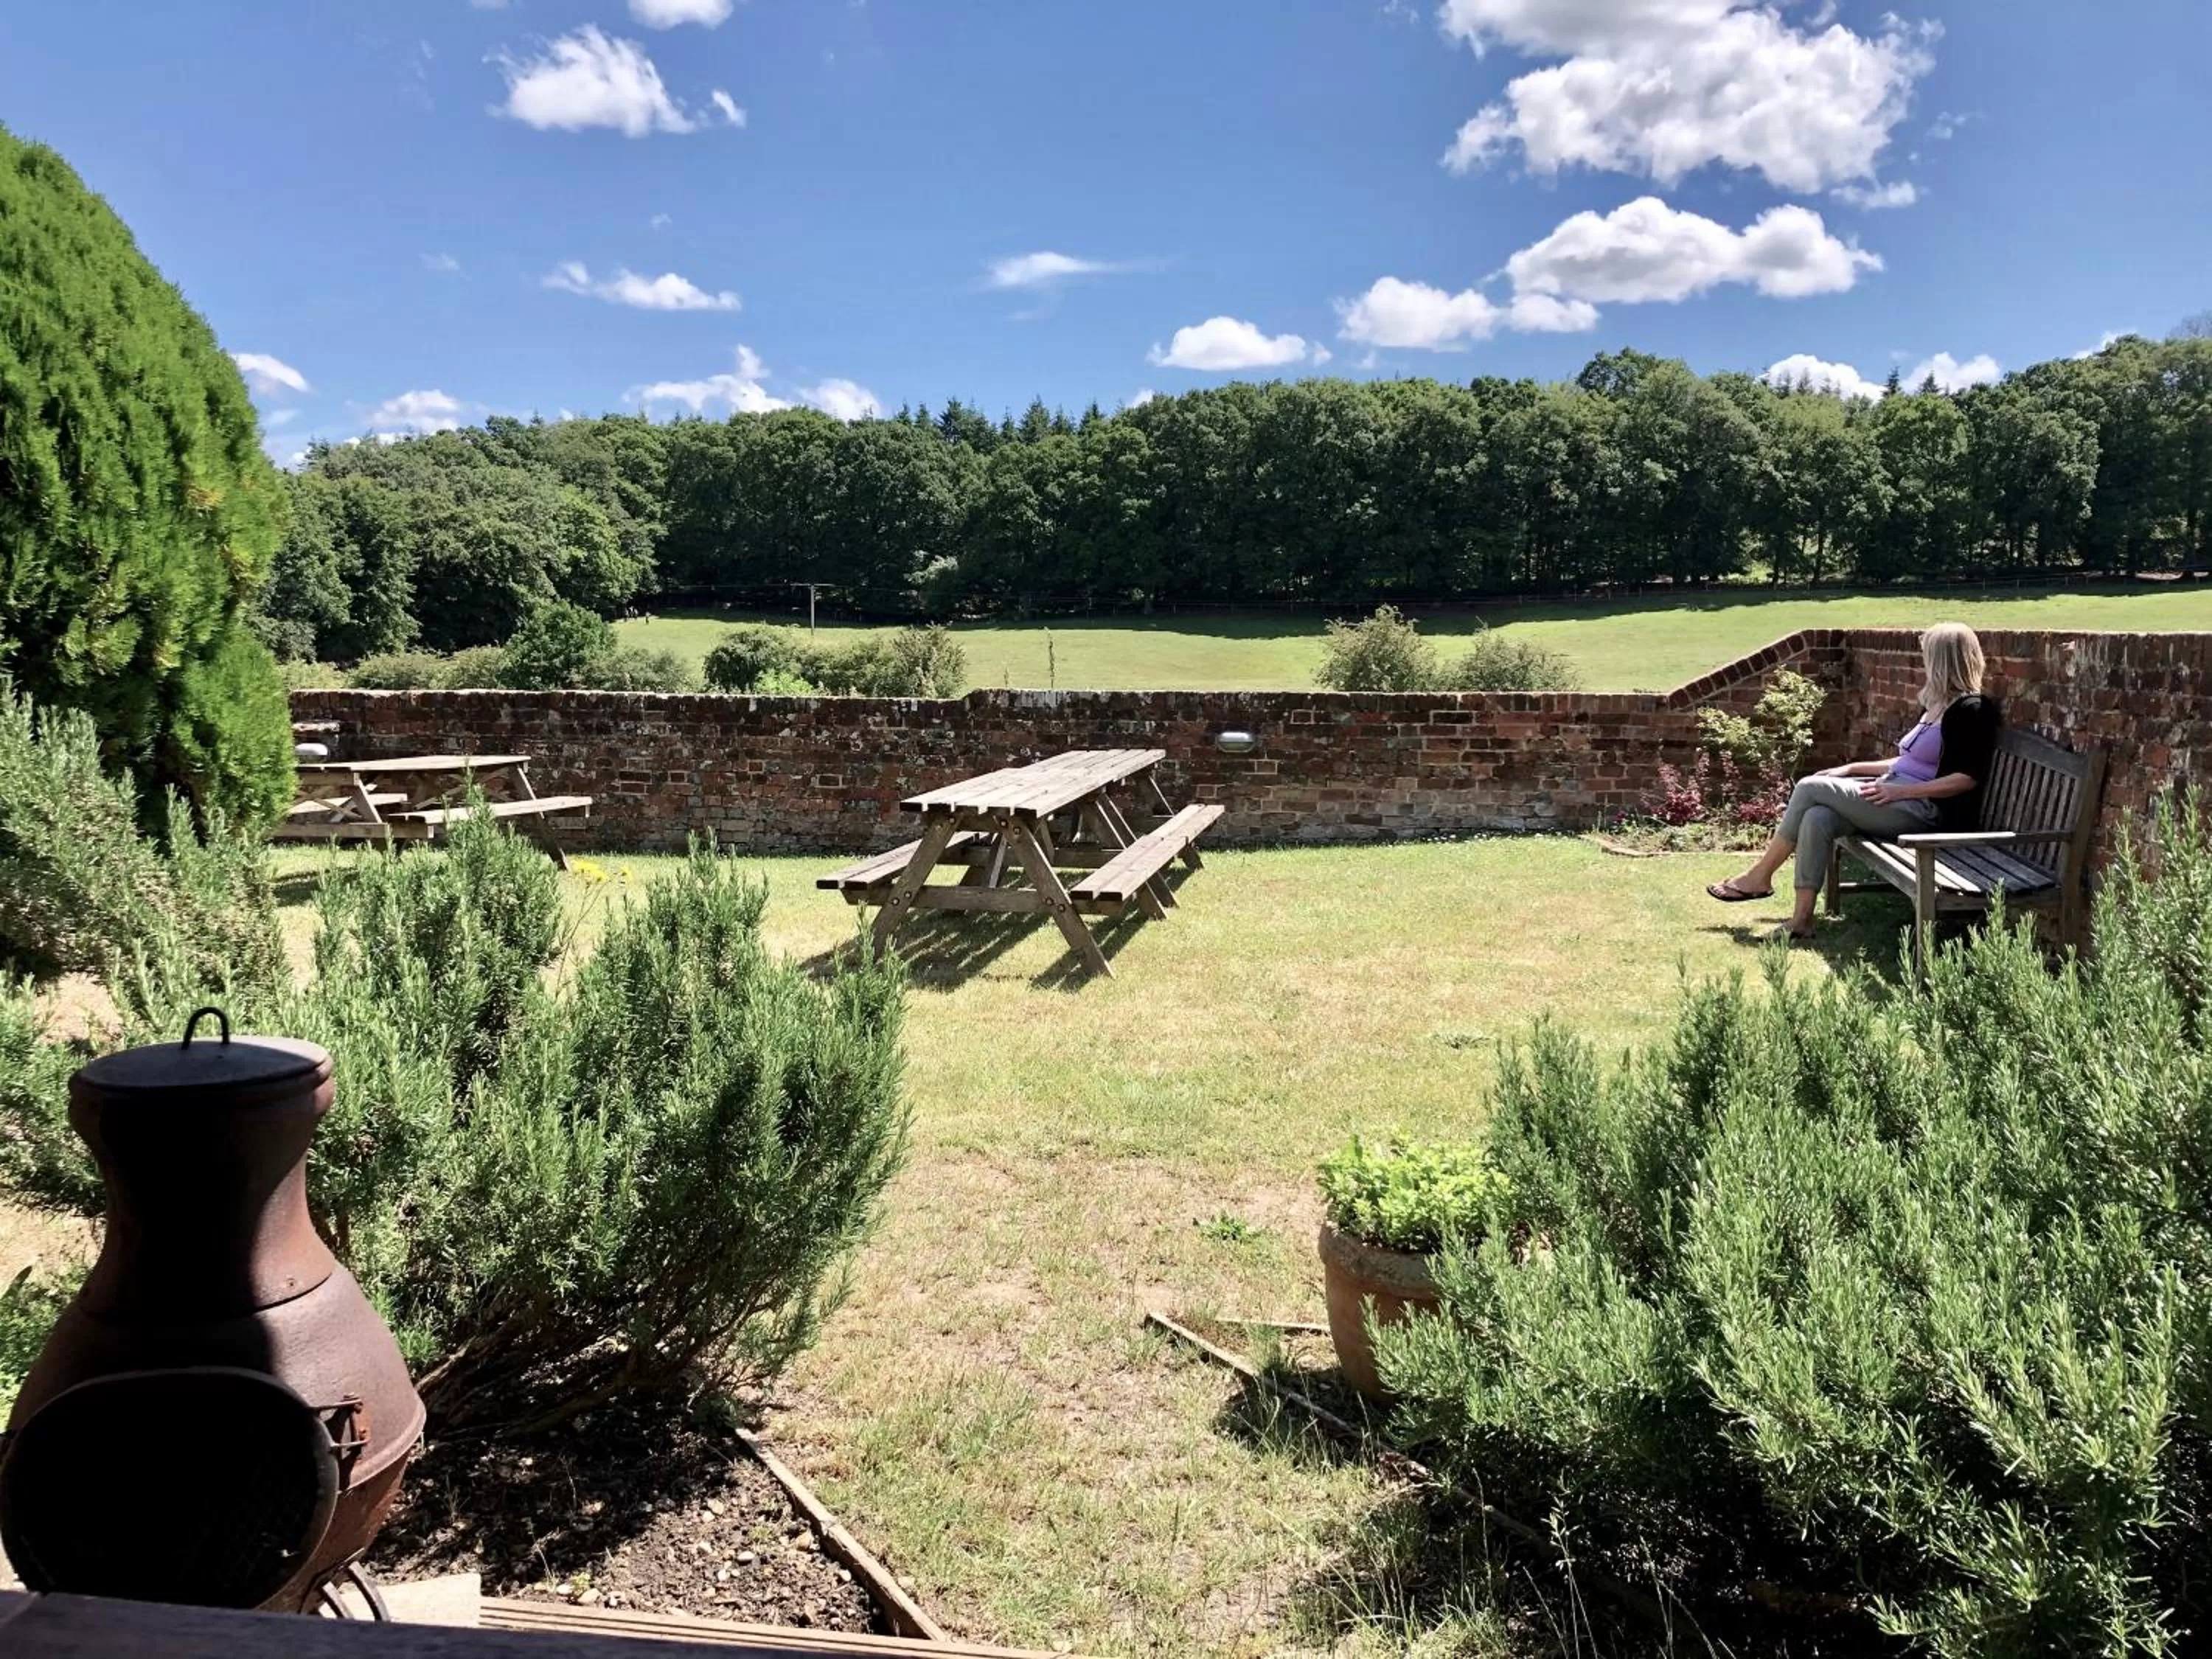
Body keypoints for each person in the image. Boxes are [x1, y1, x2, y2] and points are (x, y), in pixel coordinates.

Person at [1706, 622, 2002, 941]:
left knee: (1808, 787)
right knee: (1818, 817)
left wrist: (1902, 791)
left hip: (1927, 813)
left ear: (1944, 660)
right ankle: (1802, 920)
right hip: (1898, 797)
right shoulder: (1936, 705)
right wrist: (1851, 769)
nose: (1923, 662)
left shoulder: (1973, 710)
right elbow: (1910, 762)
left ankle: (1759, 877)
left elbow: (1966, 779)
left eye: (1928, 655)